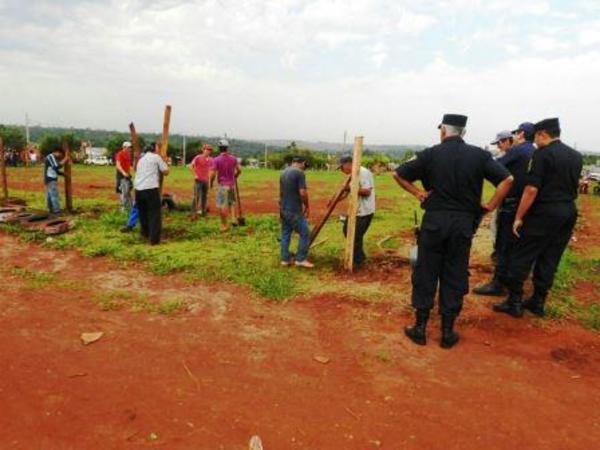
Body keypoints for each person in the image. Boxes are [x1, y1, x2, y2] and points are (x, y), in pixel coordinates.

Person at [393, 114, 513, 349]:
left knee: (426, 270)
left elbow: (398, 173)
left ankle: (420, 328)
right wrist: (489, 206)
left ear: (443, 131)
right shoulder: (479, 155)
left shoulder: (430, 154)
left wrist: (418, 193)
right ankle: (447, 332)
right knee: (455, 272)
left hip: (435, 222)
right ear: (463, 133)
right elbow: (507, 179)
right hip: (463, 224)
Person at [494, 118, 583, 318]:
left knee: (522, 254)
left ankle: (514, 301)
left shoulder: (542, 154)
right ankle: (538, 301)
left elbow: (531, 189)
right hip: (568, 211)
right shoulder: (575, 156)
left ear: (543, 134)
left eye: (536, 136)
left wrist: (519, 216)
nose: (535, 141)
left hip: (544, 212)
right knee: (550, 257)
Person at [473, 124, 535, 296]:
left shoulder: (518, 150)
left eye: (515, 134)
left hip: (511, 205)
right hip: (526, 205)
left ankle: (498, 284)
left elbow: (493, 167)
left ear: (520, 134)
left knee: (502, 244)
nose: (499, 146)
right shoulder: (535, 151)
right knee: (516, 244)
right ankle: (511, 282)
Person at [338, 156, 376, 269]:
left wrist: (349, 189)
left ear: (348, 164)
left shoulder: (362, 172)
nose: (341, 170)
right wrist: (336, 199)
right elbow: (347, 191)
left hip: (364, 211)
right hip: (356, 210)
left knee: (355, 236)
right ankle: (359, 259)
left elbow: (367, 192)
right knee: (349, 233)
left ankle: (358, 261)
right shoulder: (353, 174)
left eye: (342, 167)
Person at [279, 156, 313, 268]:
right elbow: (303, 192)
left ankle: (285, 259)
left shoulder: (283, 172)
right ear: (302, 163)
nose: (304, 169)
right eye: (305, 166)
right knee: (305, 233)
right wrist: (307, 206)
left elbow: (281, 193)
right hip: (294, 210)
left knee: (285, 234)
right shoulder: (299, 173)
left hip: (284, 209)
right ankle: (300, 259)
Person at [133, 142, 169, 245]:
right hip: (150, 189)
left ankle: (145, 235)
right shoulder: (156, 157)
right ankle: (154, 240)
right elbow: (166, 172)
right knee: (154, 214)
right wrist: (165, 162)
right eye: (158, 147)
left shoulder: (141, 159)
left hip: (138, 190)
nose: (159, 149)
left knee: (143, 213)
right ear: (154, 149)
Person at [209, 139, 241, 232]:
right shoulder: (233, 158)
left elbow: (213, 174)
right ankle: (234, 219)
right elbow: (239, 170)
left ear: (219, 148)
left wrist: (211, 183)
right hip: (231, 185)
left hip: (222, 185)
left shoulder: (216, 160)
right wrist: (236, 176)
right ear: (227, 148)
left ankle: (224, 225)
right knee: (231, 202)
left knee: (222, 205)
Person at [189, 143, 213, 216]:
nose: (208, 151)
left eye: (210, 150)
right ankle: (193, 212)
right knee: (196, 196)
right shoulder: (198, 157)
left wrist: (210, 180)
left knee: (204, 196)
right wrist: (195, 175)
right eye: (207, 149)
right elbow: (190, 166)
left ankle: (203, 211)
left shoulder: (211, 159)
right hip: (198, 180)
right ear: (203, 150)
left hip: (206, 180)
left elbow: (212, 170)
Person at [44, 145, 68, 215]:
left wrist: (62, 174)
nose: (60, 157)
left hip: (49, 179)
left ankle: (50, 210)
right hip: (50, 179)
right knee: (54, 195)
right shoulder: (51, 156)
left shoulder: (52, 157)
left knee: (50, 195)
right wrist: (65, 159)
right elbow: (56, 166)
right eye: (61, 155)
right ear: (57, 152)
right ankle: (57, 212)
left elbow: (54, 169)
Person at [115, 141, 133, 211]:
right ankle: (123, 208)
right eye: (128, 148)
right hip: (121, 175)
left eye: (130, 148)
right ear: (124, 147)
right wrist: (123, 173)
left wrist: (129, 172)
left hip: (127, 175)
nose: (130, 149)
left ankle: (130, 206)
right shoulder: (120, 154)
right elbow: (118, 165)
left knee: (128, 190)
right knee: (123, 191)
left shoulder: (129, 155)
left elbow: (129, 165)